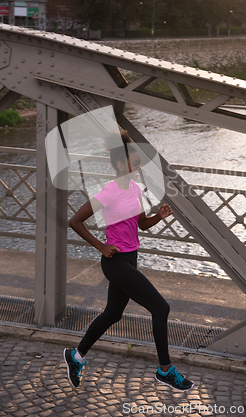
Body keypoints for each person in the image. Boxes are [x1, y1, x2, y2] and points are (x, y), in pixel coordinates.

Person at [63, 130, 194, 392]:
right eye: (136, 162)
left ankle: (75, 356)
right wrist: (101, 246)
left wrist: (159, 215)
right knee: (161, 308)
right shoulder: (110, 191)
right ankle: (165, 370)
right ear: (122, 164)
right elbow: (75, 221)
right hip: (115, 262)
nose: (139, 166)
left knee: (113, 313)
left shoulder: (135, 189)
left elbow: (142, 225)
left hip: (130, 259)